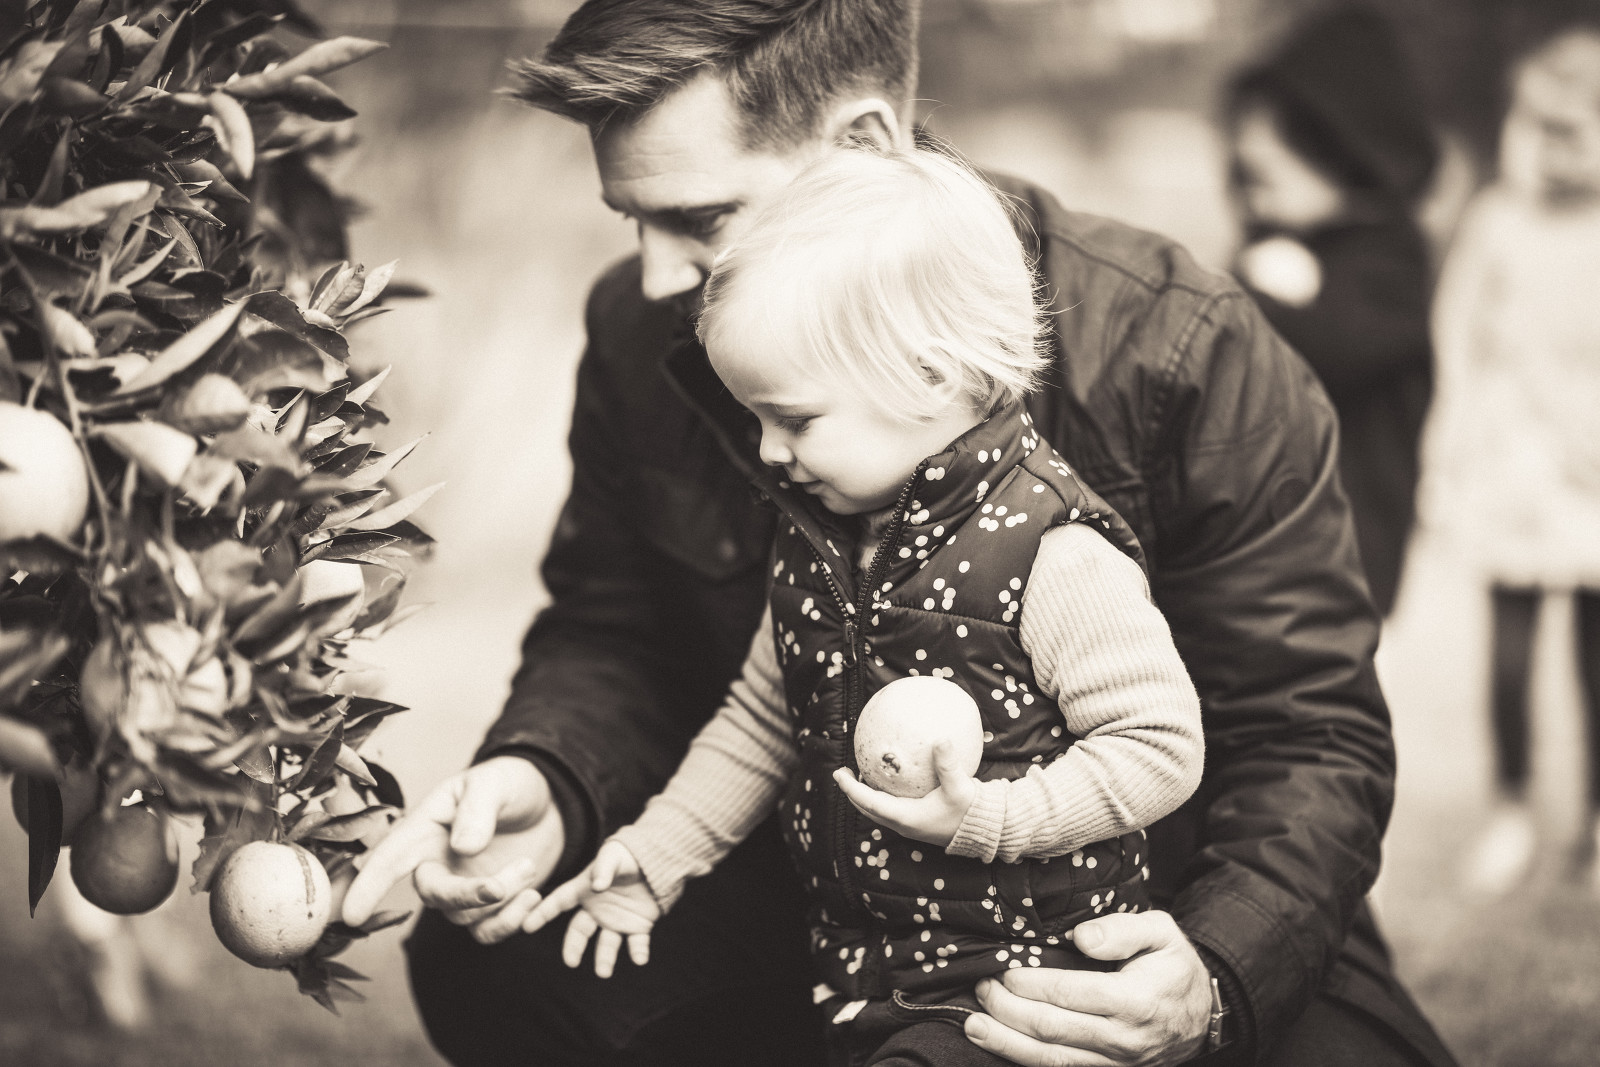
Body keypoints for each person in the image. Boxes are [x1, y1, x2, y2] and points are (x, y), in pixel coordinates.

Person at [341, 3, 1459, 1065]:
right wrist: (551, 773)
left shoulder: (1179, 344)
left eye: (701, 218)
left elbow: (1307, 730)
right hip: (830, 880)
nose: (654, 272)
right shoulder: (641, 327)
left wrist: (1213, 974)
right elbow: (618, 625)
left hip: (1140, 898)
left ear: (864, 147)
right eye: (630, 219)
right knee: (503, 962)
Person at [519, 144, 1205, 1067]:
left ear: (928, 376)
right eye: (754, 419)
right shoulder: (821, 541)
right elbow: (761, 720)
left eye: (794, 419)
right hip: (866, 972)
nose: (767, 451)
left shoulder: (1052, 551)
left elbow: (1157, 744)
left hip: (1024, 994)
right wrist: (656, 855)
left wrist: (998, 818)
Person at [1424, 21, 1600, 895]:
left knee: (1595, 659)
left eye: (1574, 129)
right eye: (1542, 128)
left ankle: (1593, 825)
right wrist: (1449, 448)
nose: (1554, 149)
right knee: (1510, 653)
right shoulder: (1498, 219)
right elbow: (1456, 336)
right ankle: (1513, 808)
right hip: (1516, 466)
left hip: (1593, 463)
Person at [1224, 4, 1439, 617]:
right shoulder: (1271, 247)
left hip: (1351, 546)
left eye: (1276, 137)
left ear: (1338, 147)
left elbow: (1341, 353)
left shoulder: (1388, 256)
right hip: (1264, 544)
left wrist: (1267, 300)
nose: (1249, 148)